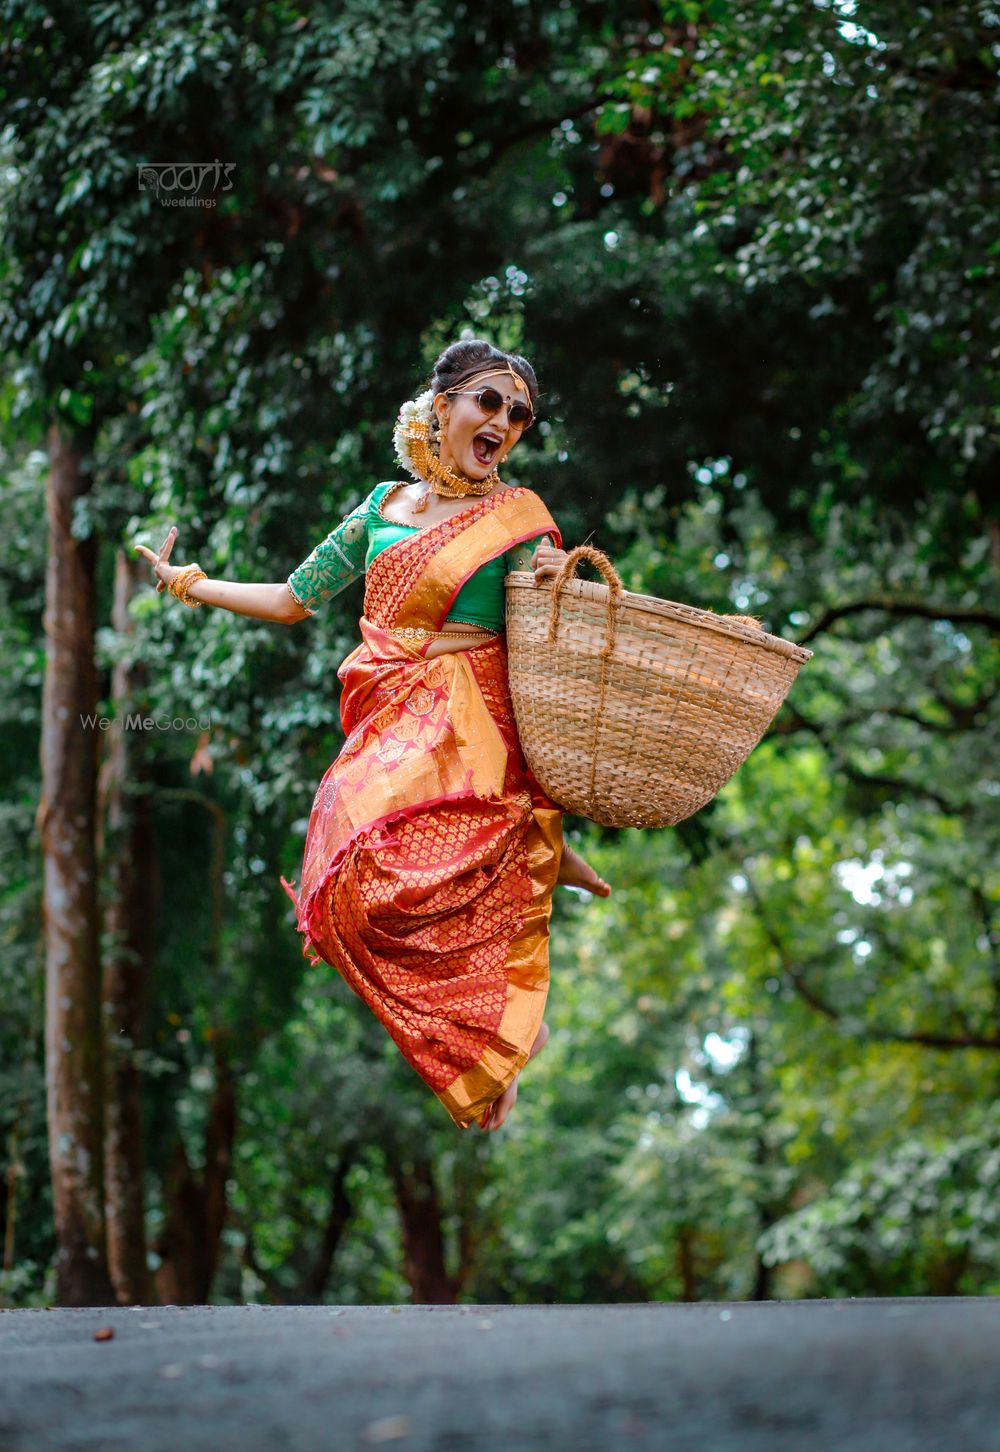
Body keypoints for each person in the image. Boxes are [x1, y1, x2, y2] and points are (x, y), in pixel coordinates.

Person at [134, 338, 611, 1133]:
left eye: (520, 414)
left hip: (475, 718)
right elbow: (293, 599)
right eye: (489, 401)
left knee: (427, 873)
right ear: (444, 404)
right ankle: (507, 1006)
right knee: (348, 897)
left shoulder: (521, 522)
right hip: (389, 713)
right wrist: (188, 583)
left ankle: (507, 1019)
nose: (504, 422)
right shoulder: (379, 508)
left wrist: (561, 584)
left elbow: (553, 642)